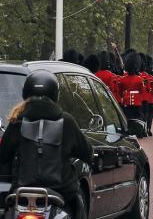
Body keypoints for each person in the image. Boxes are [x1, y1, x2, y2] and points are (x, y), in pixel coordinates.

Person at [0, 70, 92, 219]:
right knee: (78, 204)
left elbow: (3, 156)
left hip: (22, 193)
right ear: (55, 93)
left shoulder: (16, 121)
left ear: (26, 92)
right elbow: (87, 152)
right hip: (62, 193)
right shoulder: (67, 121)